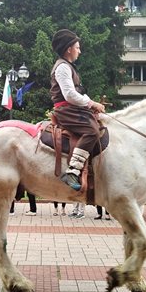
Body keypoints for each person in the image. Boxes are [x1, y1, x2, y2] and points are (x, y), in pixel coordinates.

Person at [50, 29, 105, 190]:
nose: (79, 51)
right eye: (77, 47)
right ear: (69, 49)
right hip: (67, 110)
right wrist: (92, 103)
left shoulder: (68, 67)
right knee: (92, 131)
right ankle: (73, 171)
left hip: (73, 109)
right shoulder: (62, 68)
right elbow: (69, 95)